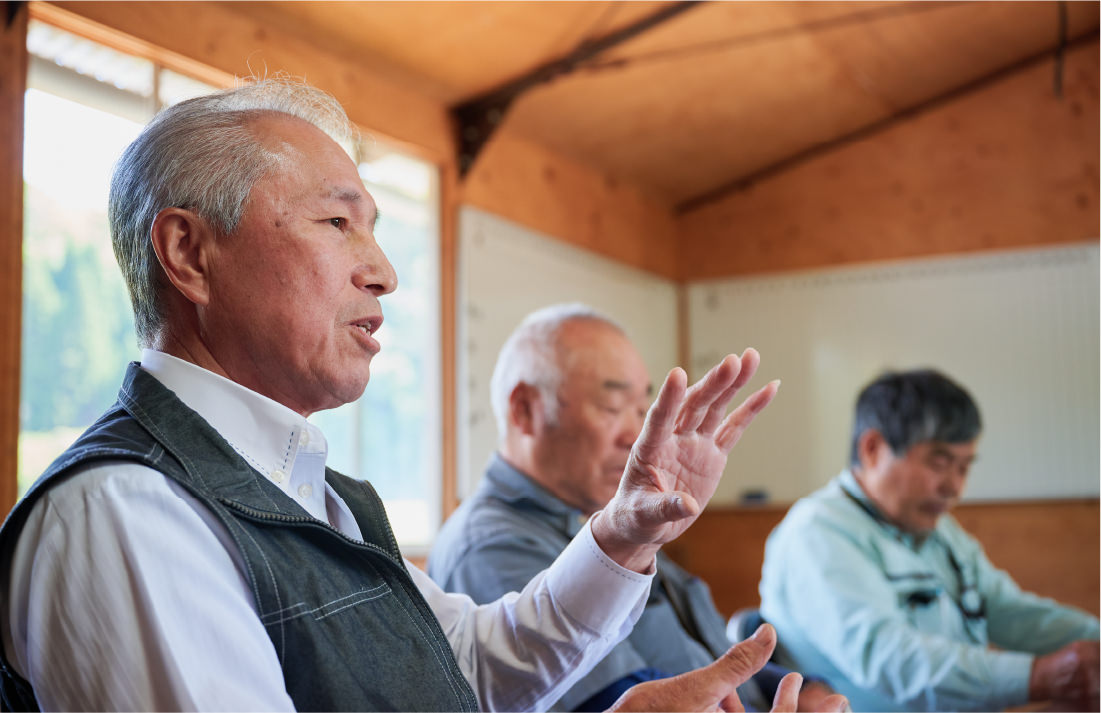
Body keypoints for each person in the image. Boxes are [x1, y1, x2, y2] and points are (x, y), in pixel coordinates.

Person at [0, 77, 810, 712]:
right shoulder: (124, 509)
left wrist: (623, 538)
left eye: (377, 228)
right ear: (188, 253)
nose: (383, 270)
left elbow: (476, 669)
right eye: (336, 223)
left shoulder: (321, 492)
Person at [430, 304, 840, 712]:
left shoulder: (608, 516)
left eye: (641, 409)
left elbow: (704, 650)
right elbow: (620, 701)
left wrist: (796, 690)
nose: (636, 433)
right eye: (611, 408)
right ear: (525, 409)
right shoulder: (491, 546)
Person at [759, 368, 1100, 711]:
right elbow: (891, 658)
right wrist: (1038, 677)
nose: (954, 487)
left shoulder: (935, 528)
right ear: (873, 449)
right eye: (940, 463)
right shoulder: (816, 533)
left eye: (964, 467)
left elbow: (1008, 610)